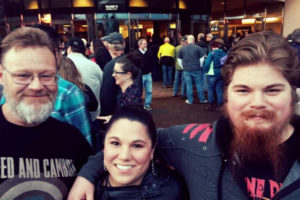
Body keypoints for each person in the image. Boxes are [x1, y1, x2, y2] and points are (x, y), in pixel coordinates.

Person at [67, 30, 300, 200]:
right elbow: (133, 141)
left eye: (272, 90)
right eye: (243, 90)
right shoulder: (195, 142)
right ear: (226, 94)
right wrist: (87, 174)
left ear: (292, 93)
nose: (257, 103)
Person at [0, 27, 93, 199]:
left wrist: (90, 175)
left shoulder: (71, 138)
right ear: (2, 77)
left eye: (46, 76)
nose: (36, 86)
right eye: (23, 75)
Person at [92, 105, 187, 199]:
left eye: (137, 146)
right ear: (104, 146)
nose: (124, 156)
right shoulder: (86, 191)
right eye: (115, 143)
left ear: (152, 151)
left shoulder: (172, 192)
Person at [97, 53, 143, 124]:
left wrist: (114, 119)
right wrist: (114, 117)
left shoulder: (131, 96)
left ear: (128, 75)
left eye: (116, 72)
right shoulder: (129, 92)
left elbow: (131, 123)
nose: (113, 75)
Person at [67, 37, 103, 121]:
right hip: (94, 116)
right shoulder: (93, 65)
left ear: (69, 49)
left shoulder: (61, 66)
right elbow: (103, 84)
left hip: (70, 117)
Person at [178, 35, 206, 104]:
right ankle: (202, 99)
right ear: (194, 40)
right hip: (196, 69)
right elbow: (202, 59)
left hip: (186, 70)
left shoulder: (182, 48)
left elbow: (179, 60)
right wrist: (199, 66)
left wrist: (183, 67)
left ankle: (190, 100)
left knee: (189, 85)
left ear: (187, 40)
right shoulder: (198, 48)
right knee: (199, 84)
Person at [203, 40, 227, 111]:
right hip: (221, 72)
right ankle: (220, 106)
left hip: (212, 72)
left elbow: (207, 64)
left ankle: (210, 105)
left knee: (210, 89)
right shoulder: (223, 53)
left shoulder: (211, 53)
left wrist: (206, 71)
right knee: (219, 89)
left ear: (212, 47)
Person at [134, 38, 154, 111]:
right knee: (139, 91)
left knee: (149, 91)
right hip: (140, 76)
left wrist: (151, 71)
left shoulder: (148, 53)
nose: (146, 45)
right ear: (139, 45)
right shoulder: (136, 53)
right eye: (144, 44)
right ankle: (138, 105)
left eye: (146, 43)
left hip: (148, 75)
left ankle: (147, 104)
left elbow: (152, 62)